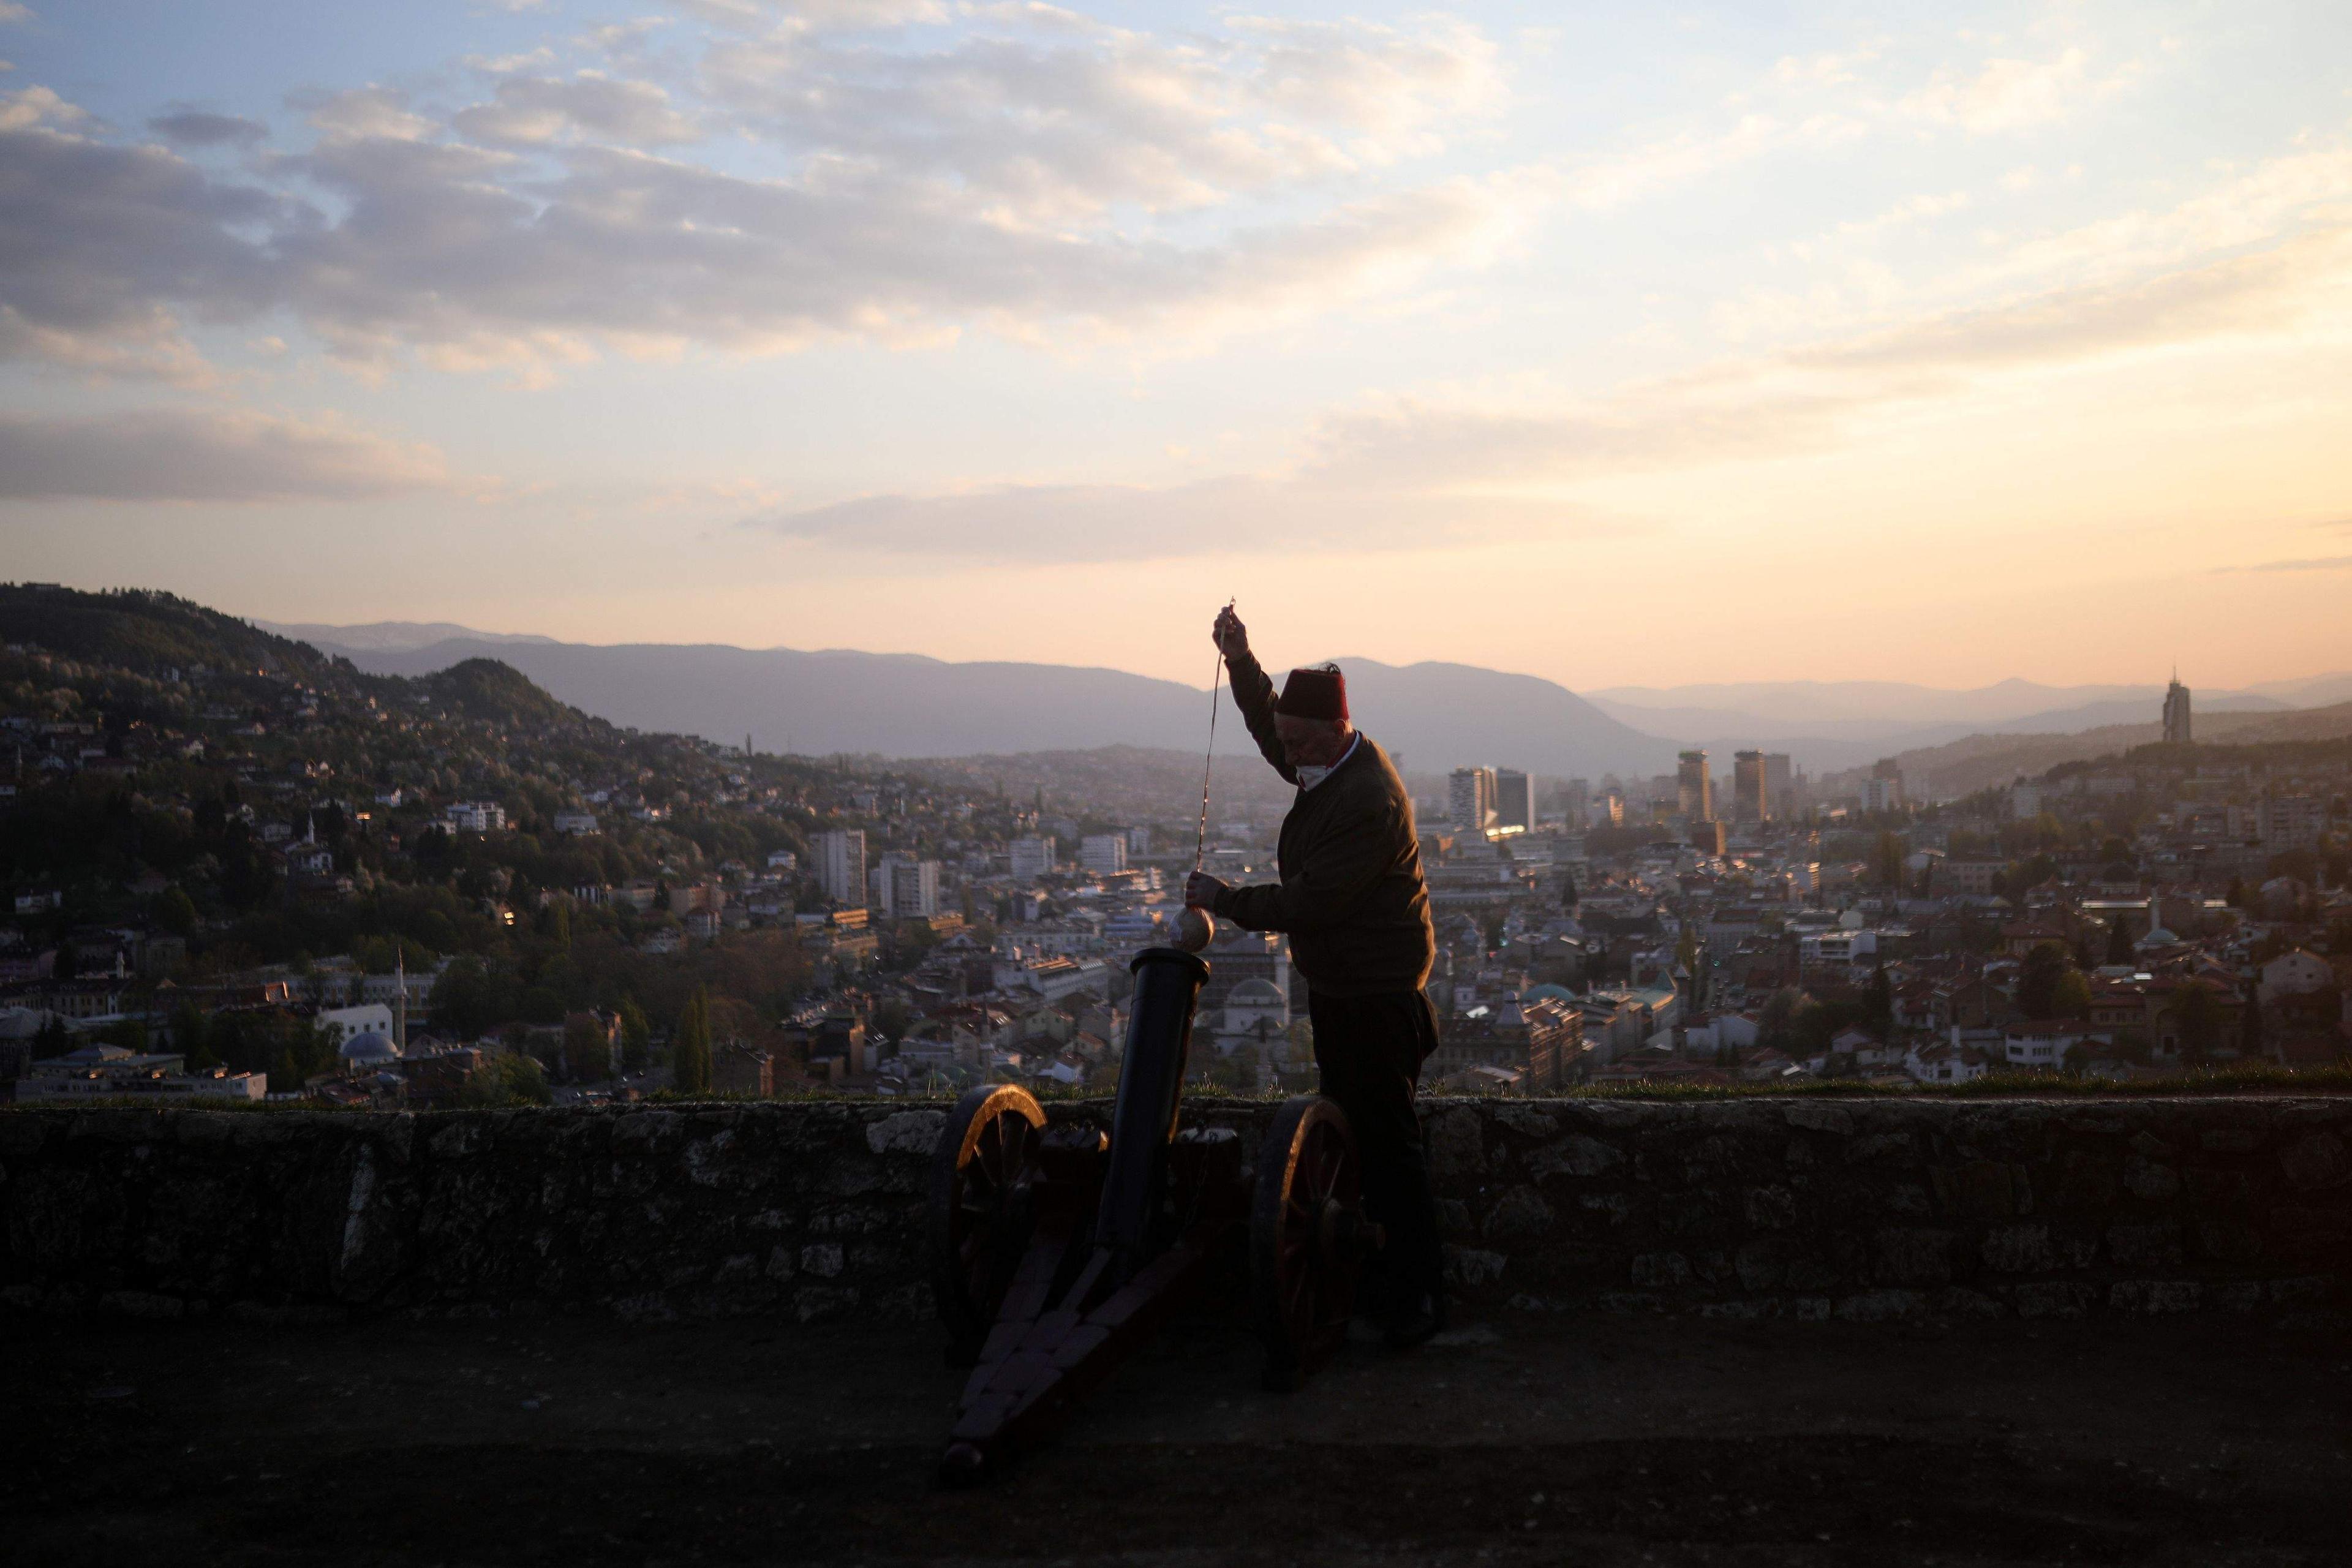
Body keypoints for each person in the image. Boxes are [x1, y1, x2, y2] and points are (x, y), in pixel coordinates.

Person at [1184, 605, 1446, 1347]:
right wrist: (1239, 658)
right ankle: (1375, 1284)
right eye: (1289, 744)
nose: (1287, 757)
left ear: (1333, 733)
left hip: (1376, 993)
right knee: (1358, 1136)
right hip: (1345, 987)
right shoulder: (1326, 760)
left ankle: (1417, 1296)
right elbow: (1272, 725)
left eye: (1300, 744)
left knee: (1390, 1146)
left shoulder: (1367, 800)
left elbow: (1313, 902)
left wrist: (1223, 899)